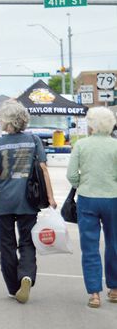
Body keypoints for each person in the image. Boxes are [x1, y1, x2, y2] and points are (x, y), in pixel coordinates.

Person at [0, 99, 56, 304]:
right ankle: (26, 275)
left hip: (3, 201)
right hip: (29, 199)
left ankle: (13, 287)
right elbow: (44, 169)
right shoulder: (34, 140)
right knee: (27, 241)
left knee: (7, 245)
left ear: (8, 121)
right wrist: (51, 197)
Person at [66, 107, 117, 308]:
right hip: (113, 198)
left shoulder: (81, 145)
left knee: (90, 247)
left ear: (92, 124)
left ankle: (94, 293)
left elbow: (71, 175)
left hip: (87, 198)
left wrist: (82, 182)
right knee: (114, 243)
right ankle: (114, 289)